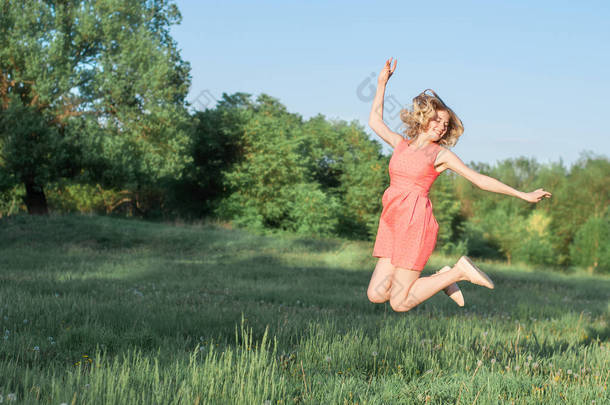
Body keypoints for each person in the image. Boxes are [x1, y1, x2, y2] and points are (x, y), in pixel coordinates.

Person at [366, 57, 552, 312]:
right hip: (391, 221)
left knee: (399, 303)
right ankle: (444, 276)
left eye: (445, 125)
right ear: (423, 118)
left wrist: (522, 194)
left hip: (415, 224)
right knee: (376, 294)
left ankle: (457, 273)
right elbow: (375, 121)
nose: (441, 128)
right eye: (437, 121)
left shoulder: (440, 156)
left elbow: (479, 180)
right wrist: (381, 83)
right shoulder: (400, 145)